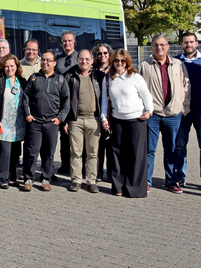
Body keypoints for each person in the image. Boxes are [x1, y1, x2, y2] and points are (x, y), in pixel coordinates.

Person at [138, 34, 190, 194]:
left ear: (167, 46)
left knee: (172, 149)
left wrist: (184, 108)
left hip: (173, 115)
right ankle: (146, 180)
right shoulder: (144, 65)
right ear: (151, 47)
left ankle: (171, 181)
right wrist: (144, 111)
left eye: (162, 44)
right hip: (152, 115)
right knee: (149, 149)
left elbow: (186, 87)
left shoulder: (178, 65)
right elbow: (137, 90)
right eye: (155, 45)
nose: (159, 47)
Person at [101, 49, 153, 198]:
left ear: (127, 62)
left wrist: (149, 111)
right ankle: (118, 186)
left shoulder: (135, 77)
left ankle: (134, 188)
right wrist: (104, 118)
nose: (119, 63)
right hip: (117, 120)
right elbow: (105, 101)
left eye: (122, 61)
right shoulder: (108, 78)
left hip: (136, 120)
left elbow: (146, 95)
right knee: (117, 154)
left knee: (135, 155)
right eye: (116, 60)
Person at [21, 51, 70, 192]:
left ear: (54, 63)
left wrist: (60, 118)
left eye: (48, 60)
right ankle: (29, 178)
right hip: (35, 122)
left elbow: (66, 101)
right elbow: (26, 98)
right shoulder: (34, 78)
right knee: (31, 152)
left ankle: (46, 179)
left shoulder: (60, 79)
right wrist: (28, 115)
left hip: (51, 123)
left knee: (48, 152)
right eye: (43, 60)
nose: (45, 63)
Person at [174, 32, 201, 191]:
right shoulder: (176, 61)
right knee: (180, 145)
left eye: (191, 42)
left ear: (196, 43)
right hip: (183, 111)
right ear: (182, 44)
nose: (188, 45)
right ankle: (180, 176)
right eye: (185, 42)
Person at [65, 49, 103, 193]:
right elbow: (66, 100)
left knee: (93, 152)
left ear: (92, 61)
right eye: (81, 59)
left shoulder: (98, 76)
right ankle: (76, 180)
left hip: (94, 119)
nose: (84, 62)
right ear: (77, 60)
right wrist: (66, 121)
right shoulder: (71, 77)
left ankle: (91, 181)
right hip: (76, 120)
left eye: (87, 59)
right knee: (76, 152)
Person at [0, 54, 27, 189]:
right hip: (3, 122)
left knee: (15, 152)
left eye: (12, 66)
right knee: (4, 151)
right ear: (2, 67)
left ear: (17, 67)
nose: (9, 68)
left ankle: (12, 177)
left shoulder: (21, 81)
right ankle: (1, 177)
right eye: (6, 66)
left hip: (18, 124)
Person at [55, 31, 78, 176]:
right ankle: (65, 165)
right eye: (64, 41)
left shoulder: (80, 58)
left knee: (76, 137)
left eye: (69, 41)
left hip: (76, 102)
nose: (67, 43)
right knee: (64, 136)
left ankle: (77, 166)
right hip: (62, 102)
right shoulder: (57, 60)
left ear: (74, 42)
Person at [91, 43, 113, 181]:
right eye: (100, 53)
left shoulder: (114, 69)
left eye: (105, 53)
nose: (102, 55)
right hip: (96, 110)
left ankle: (111, 174)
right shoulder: (93, 71)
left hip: (111, 111)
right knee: (98, 146)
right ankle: (97, 173)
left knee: (111, 145)